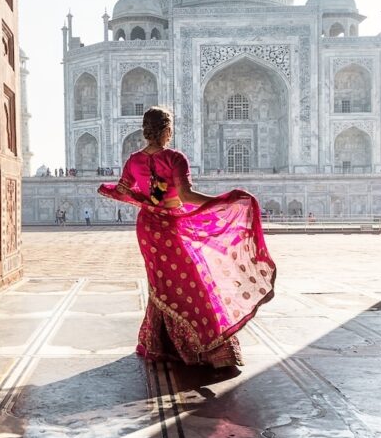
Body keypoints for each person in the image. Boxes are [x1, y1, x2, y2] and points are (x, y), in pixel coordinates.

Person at [99, 106, 276, 369]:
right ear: (168, 131)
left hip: (148, 227)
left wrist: (145, 202)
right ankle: (205, 346)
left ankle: (160, 343)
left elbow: (124, 191)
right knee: (192, 279)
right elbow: (186, 196)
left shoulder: (133, 160)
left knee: (163, 284)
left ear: (146, 130)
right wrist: (220, 201)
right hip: (170, 224)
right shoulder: (174, 157)